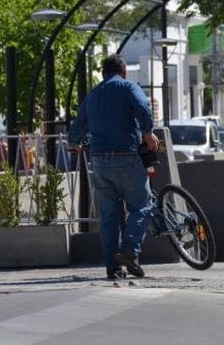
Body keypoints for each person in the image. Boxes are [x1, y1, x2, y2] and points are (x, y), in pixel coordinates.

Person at [68, 53, 159, 280]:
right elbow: (142, 107)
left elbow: (78, 124)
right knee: (141, 205)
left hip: (99, 161)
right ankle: (129, 250)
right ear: (124, 71)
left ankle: (112, 266)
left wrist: (74, 142)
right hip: (126, 157)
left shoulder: (93, 94)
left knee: (109, 215)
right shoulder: (128, 87)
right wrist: (148, 132)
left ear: (103, 73)